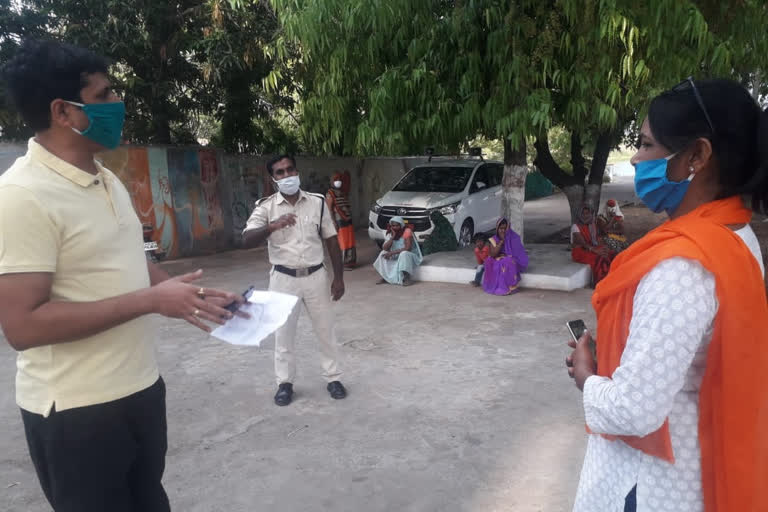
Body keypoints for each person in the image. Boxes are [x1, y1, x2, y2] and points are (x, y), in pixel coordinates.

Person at [0, 40, 243, 512]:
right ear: (63, 112)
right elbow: (22, 326)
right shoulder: (20, 195)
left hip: (139, 388)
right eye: (105, 94)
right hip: (76, 412)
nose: (118, 105)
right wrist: (151, 302)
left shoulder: (104, 176)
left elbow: (130, 260)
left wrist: (190, 295)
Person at [566, 78, 768, 512]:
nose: (637, 158)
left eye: (647, 144)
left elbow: (634, 412)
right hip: (706, 459)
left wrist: (587, 377)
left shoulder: (681, 267)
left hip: (652, 482)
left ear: (696, 155)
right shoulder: (737, 236)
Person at [243, 155, 347, 407]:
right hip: (283, 279)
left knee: (326, 330)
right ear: (273, 178)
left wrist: (338, 278)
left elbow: (331, 240)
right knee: (283, 335)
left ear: (297, 171)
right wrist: (272, 226)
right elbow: (246, 239)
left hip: (316, 276)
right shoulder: (266, 207)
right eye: (280, 172)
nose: (287, 175)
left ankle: (333, 378)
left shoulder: (317, 203)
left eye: (290, 169)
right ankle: (285, 383)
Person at [482, 218, 529, 295]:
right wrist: (501, 242)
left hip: (510, 259)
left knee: (507, 261)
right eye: (501, 228)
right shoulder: (494, 239)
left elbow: (517, 254)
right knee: (488, 260)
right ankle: (491, 285)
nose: (503, 231)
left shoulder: (514, 237)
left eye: (505, 228)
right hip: (497, 258)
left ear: (508, 228)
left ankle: (509, 287)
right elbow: (493, 254)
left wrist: (506, 256)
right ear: (497, 228)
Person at [571, 205, 614, 285]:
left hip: (592, 248)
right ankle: (599, 282)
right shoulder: (575, 226)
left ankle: (610, 278)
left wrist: (604, 247)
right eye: (583, 213)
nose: (585, 216)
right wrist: (595, 250)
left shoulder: (592, 224)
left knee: (609, 253)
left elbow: (599, 238)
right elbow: (582, 243)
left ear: (591, 214)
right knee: (599, 258)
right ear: (579, 214)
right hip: (580, 251)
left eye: (587, 213)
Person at [373, 216, 423, 286]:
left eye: (397, 225)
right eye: (393, 225)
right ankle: (385, 277)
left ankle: (406, 277)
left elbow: (407, 248)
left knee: (404, 253)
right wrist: (392, 237)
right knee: (383, 253)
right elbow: (385, 248)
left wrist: (392, 252)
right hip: (397, 254)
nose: (395, 227)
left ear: (401, 225)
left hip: (410, 255)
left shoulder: (407, 231)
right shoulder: (390, 232)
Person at [326, 172, 357, 269]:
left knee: (350, 241)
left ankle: (350, 262)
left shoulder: (343, 192)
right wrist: (333, 222)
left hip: (348, 219)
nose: (338, 182)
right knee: (343, 241)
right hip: (339, 220)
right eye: (335, 180)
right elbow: (329, 209)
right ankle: (342, 263)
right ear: (332, 182)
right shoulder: (330, 194)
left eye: (339, 179)